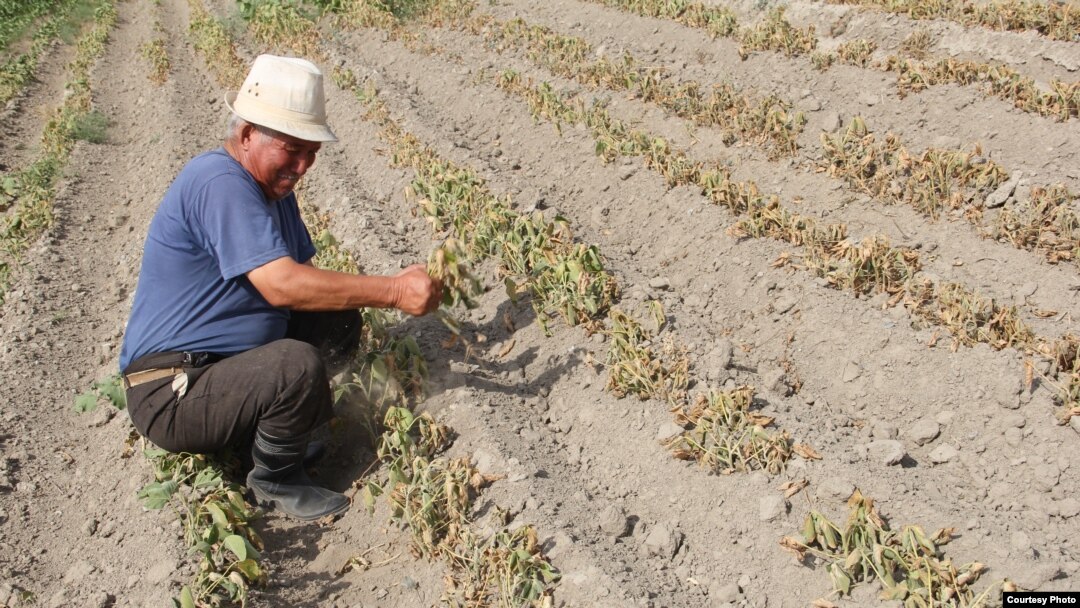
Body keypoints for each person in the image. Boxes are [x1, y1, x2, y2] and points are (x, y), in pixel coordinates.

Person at [118, 54, 442, 521]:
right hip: (171, 392)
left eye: (311, 152)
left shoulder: (272, 193)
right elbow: (282, 285)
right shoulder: (218, 181)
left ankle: (280, 430)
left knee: (336, 318)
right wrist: (393, 291)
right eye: (292, 148)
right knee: (294, 365)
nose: (303, 165)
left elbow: (309, 284)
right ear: (247, 133)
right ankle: (273, 478)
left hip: (216, 371)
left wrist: (389, 287)